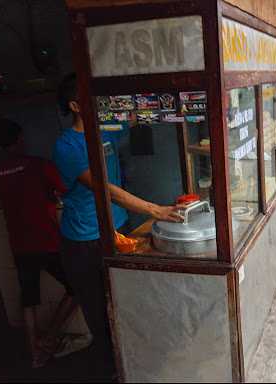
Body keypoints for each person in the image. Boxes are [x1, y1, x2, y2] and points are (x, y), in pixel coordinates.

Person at [53, 74, 183, 371]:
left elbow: (141, 113)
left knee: (128, 303)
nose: (99, 103)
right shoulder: (67, 147)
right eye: (90, 97)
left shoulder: (106, 129)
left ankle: (135, 368)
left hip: (118, 229)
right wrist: (155, 210)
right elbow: (105, 189)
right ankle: (112, 371)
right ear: (75, 105)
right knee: (101, 315)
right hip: (85, 241)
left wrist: (179, 95)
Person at [0, 118, 79, 368]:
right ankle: (51, 335)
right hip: (48, 241)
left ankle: (34, 353)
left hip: (19, 245)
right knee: (76, 288)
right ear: (21, 139)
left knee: (28, 299)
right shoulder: (39, 166)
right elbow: (65, 189)